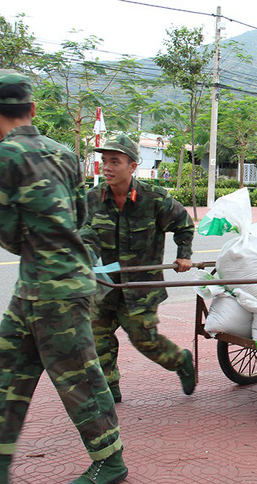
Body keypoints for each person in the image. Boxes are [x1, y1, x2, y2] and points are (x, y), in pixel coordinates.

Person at [0, 69, 127, 484]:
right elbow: (80, 217)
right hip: (43, 286)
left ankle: (110, 461)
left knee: (77, 375)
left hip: (53, 288)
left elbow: (6, 235)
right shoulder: (63, 153)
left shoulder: (3, 155)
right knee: (5, 367)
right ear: (33, 109)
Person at [81, 134, 196, 403]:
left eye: (115, 161)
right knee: (97, 340)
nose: (107, 167)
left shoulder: (154, 199)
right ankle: (108, 389)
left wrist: (184, 255)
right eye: (104, 161)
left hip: (140, 288)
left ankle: (181, 360)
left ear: (133, 166)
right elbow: (83, 234)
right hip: (103, 287)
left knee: (145, 340)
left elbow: (184, 224)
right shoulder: (91, 199)